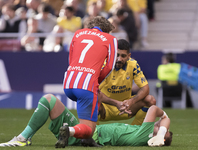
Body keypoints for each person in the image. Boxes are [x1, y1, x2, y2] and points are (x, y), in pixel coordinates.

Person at [0, 94, 172, 147]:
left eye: (159, 127)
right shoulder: (143, 135)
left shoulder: (146, 134)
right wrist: (162, 132)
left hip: (89, 133)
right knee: (49, 101)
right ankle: (69, 131)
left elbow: (155, 110)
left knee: (49, 100)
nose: (157, 123)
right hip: (90, 133)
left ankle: (23, 138)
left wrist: (163, 128)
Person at [60, 16, 117, 148]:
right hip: (86, 85)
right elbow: (109, 66)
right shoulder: (111, 39)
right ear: (106, 30)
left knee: (90, 112)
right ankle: (70, 131)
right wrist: (97, 80)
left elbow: (71, 59)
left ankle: (88, 140)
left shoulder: (78, 33)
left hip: (69, 82)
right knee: (88, 128)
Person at [98, 39, 156, 125]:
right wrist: (116, 103)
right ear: (112, 53)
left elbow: (145, 88)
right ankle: (95, 136)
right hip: (105, 109)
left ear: (129, 56)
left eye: (123, 56)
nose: (119, 59)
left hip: (127, 108)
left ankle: (134, 132)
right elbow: (95, 92)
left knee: (150, 100)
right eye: (117, 55)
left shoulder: (133, 65)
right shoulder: (104, 65)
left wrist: (131, 101)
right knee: (90, 101)